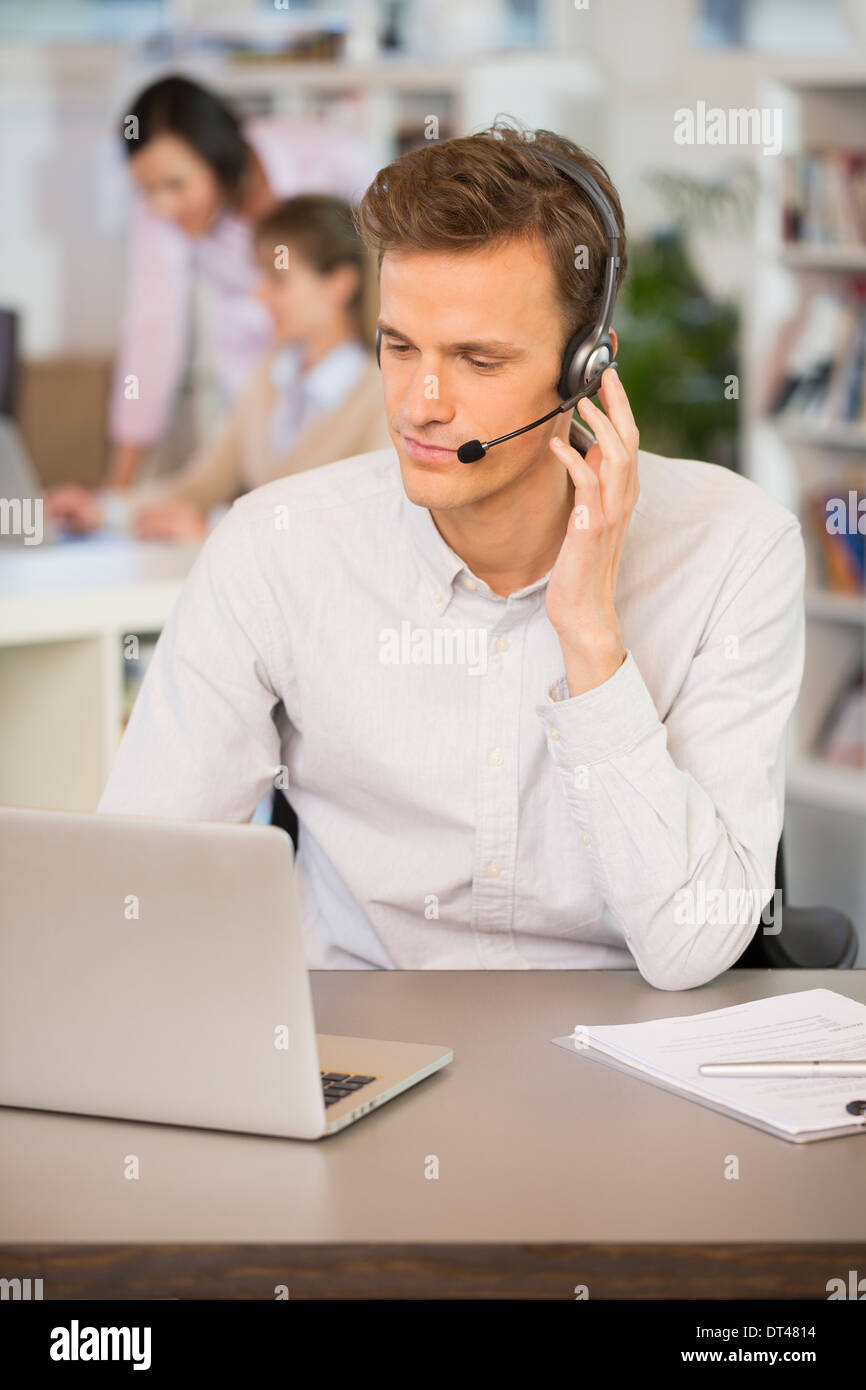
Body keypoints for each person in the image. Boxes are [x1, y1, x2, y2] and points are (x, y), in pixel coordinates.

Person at [97, 122, 805, 991]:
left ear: (587, 370)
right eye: (400, 348)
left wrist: (587, 633)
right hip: (356, 1051)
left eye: (477, 358)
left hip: (630, 1054)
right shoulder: (274, 548)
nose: (421, 405)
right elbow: (136, 882)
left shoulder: (734, 548)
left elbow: (690, 948)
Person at [46, 195, 390, 539]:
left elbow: (362, 523)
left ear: (340, 284)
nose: (260, 296)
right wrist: (105, 510)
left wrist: (214, 528)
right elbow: (199, 487)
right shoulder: (270, 376)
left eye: (278, 281)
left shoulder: (381, 397)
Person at [98, 74, 378, 491]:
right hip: (272, 377)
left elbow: (391, 261)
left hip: (353, 360)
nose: (162, 206)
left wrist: (386, 365)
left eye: (176, 184)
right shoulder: (265, 379)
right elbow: (153, 329)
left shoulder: (332, 159)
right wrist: (114, 497)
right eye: (147, 189)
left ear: (221, 159)